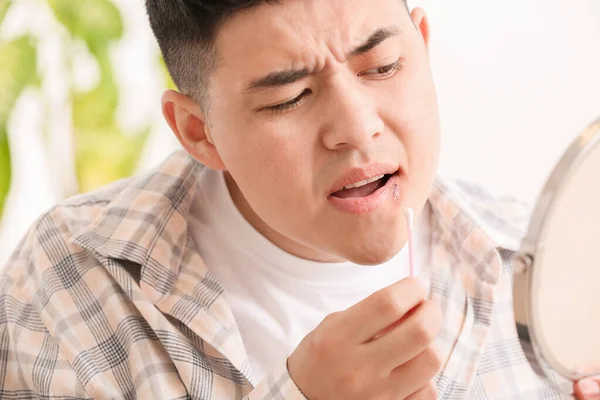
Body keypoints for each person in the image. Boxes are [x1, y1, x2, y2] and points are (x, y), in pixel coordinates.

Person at [0, 0, 597, 398]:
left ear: (422, 45)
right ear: (198, 132)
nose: (357, 127)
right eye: (289, 98)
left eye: (384, 66)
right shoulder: (71, 276)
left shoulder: (535, 261)